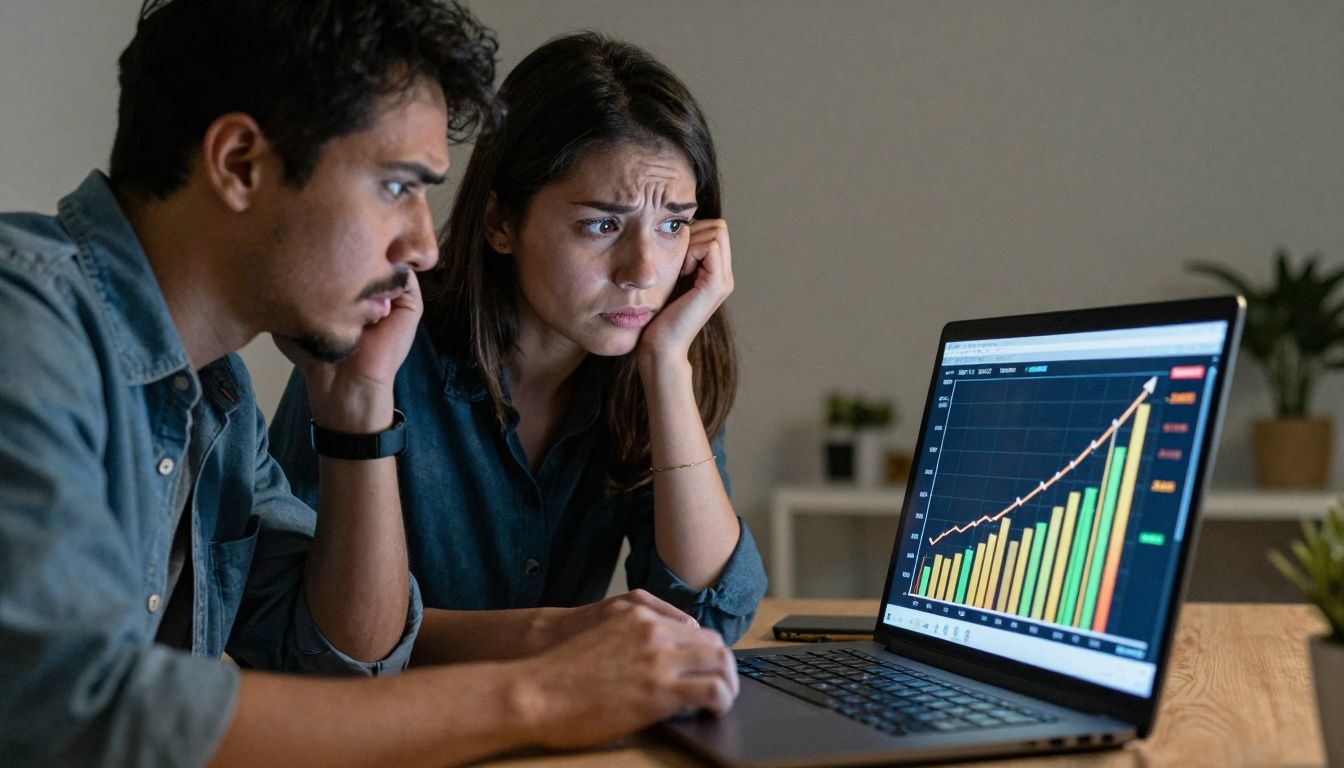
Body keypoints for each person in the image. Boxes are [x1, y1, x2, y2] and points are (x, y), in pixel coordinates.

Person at [0, 3, 737, 766]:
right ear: (240, 164)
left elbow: (339, 660)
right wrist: (540, 696)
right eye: (396, 187)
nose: (423, 246)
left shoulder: (216, 402)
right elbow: (77, 709)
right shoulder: (22, 326)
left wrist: (357, 413)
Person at [269, 32, 768, 657]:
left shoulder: (653, 365)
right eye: (601, 224)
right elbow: (302, 629)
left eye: (673, 225)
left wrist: (666, 365)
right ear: (501, 223)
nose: (642, 270)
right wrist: (544, 635)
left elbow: (709, 618)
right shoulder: (380, 348)